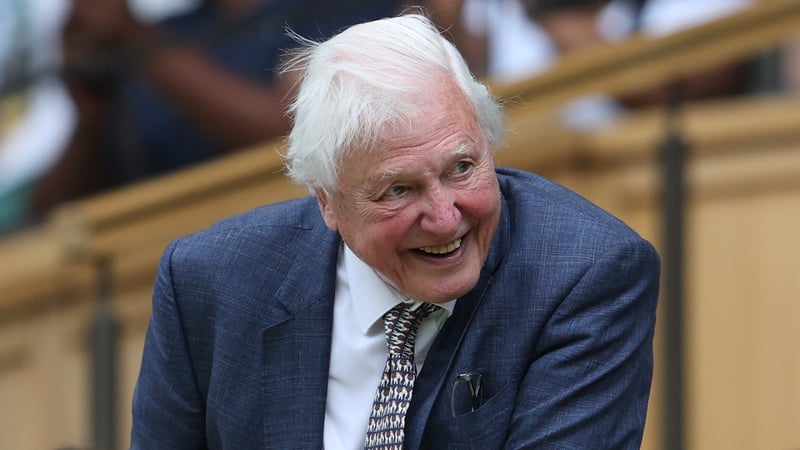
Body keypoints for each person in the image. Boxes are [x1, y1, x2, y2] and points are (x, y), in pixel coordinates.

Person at [131, 13, 660, 449]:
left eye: (461, 168)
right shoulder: (209, 281)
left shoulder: (586, 272)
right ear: (327, 201)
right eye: (398, 191)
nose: (447, 216)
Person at [29, 0, 408, 219]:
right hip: (156, 282)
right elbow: (50, 214)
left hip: (295, 244)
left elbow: (292, 131)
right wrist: (89, 116)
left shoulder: (346, 7)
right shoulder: (172, 33)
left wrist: (136, 39)